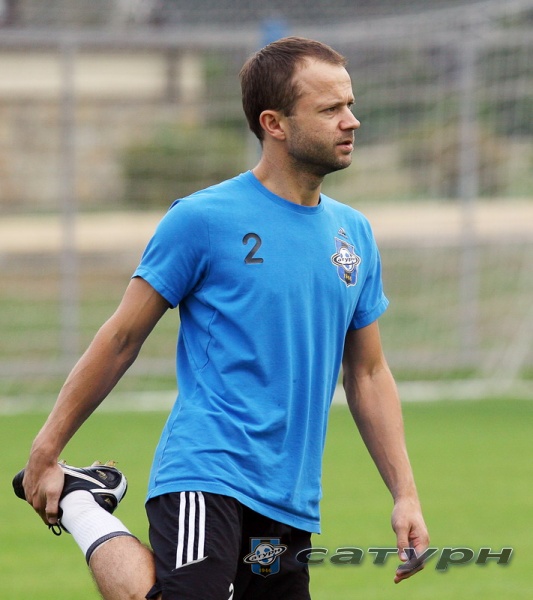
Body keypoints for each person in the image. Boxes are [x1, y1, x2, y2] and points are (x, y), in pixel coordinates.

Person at [15, 36, 429, 599]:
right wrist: (47, 448)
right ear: (274, 123)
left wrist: (405, 494)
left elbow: (369, 373)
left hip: (290, 499)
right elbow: (121, 337)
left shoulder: (353, 234)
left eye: (350, 104)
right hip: (207, 471)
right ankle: (81, 504)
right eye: (330, 108)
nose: (351, 121)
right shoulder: (203, 219)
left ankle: (83, 497)